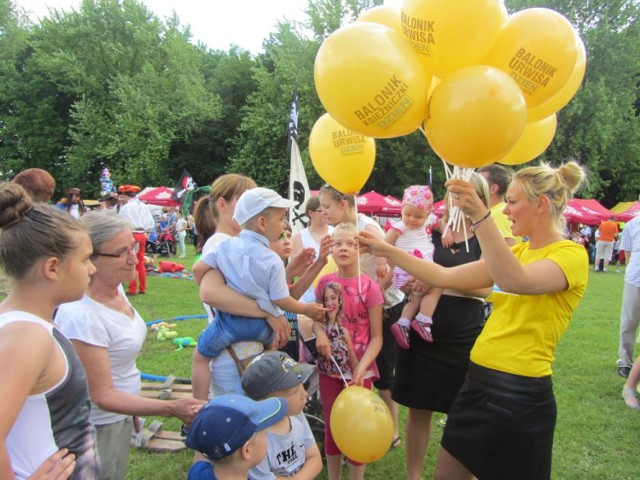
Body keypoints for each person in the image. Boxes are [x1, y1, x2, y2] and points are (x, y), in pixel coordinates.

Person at [358, 161, 589, 479]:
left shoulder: (570, 255)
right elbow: (441, 274)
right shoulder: (519, 253)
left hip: (517, 393)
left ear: (541, 205)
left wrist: (480, 216)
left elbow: (514, 282)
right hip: (477, 382)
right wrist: (384, 248)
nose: (505, 211)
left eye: (512, 201)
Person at [55, 211, 204, 480]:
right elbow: (102, 395)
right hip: (97, 425)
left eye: (133, 247)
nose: (135, 259)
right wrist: (171, 408)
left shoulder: (114, 288)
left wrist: (133, 409)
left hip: (121, 414)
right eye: (122, 252)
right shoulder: (82, 315)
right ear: (91, 257)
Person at [0, 182, 99, 479]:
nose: (92, 269)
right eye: (85, 259)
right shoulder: (27, 336)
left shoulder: (28, 323)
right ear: (53, 267)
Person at [191, 187, 325, 400]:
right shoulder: (271, 260)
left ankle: (197, 405)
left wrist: (204, 280)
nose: (283, 225)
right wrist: (306, 308)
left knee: (200, 356)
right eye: (281, 219)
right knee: (272, 351)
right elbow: (280, 299)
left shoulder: (225, 246)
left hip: (229, 324)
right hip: (263, 330)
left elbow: (198, 270)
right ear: (262, 223)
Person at [319, 184, 403, 449]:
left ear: (343, 205)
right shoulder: (339, 234)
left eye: (327, 207)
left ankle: (391, 429)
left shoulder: (369, 228)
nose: (324, 213)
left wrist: (370, 295)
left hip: (381, 306)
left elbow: (387, 266)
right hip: (350, 306)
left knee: (384, 376)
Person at [313, 223, 384, 480]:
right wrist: (320, 334)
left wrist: (363, 367)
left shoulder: (370, 287)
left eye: (350, 244)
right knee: (333, 426)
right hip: (330, 368)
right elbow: (316, 320)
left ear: (360, 249)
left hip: (359, 371)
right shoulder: (324, 284)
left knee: (357, 428)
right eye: (338, 243)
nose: (343, 249)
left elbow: (377, 338)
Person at [241, 351, 322, 480]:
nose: (304, 393)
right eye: (295, 390)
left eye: (302, 384)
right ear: (269, 402)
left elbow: (315, 460)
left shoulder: (297, 415)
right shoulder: (256, 440)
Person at [386, 184, 442, 347]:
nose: (411, 219)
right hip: (409, 268)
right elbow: (383, 246)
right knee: (437, 286)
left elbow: (441, 223)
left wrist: (447, 231)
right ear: (401, 210)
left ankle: (403, 323)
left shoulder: (430, 220)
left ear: (427, 214)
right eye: (407, 214)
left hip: (417, 268)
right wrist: (387, 263)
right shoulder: (399, 227)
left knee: (416, 298)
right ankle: (424, 320)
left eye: (418, 217)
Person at [186, 394, 288, 480]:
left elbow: (203, 449)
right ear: (247, 450)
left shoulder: (197, 473)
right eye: (265, 434)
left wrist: (205, 421)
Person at [291, 196, 336, 303]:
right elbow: (297, 271)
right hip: (309, 298)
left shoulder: (336, 233)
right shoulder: (298, 237)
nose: (326, 213)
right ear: (311, 213)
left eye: (327, 209)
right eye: (321, 210)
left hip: (335, 296)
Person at [317, 282, 359, 382]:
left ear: (339, 301)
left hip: (345, 379)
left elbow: (352, 357)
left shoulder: (344, 332)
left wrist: (357, 377)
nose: (329, 303)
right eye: (326, 300)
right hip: (326, 379)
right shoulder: (320, 326)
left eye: (333, 298)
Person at [118, 184, 155, 295]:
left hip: (132, 234)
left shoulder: (126, 207)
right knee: (140, 262)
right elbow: (151, 223)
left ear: (125, 194)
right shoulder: (144, 206)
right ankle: (142, 288)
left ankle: (132, 289)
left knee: (131, 262)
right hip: (142, 234)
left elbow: (120, 222)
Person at [616, 214, 640, 378]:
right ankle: (625, 362)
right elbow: (628, 256)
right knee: (628, 322)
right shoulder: (631, 225)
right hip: (635, 278)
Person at [478, 164, 519, 246]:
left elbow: (509, 250)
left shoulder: (500, 214)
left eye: (480, 183)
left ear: (493, 189)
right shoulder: (495, 212)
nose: (474, 187)